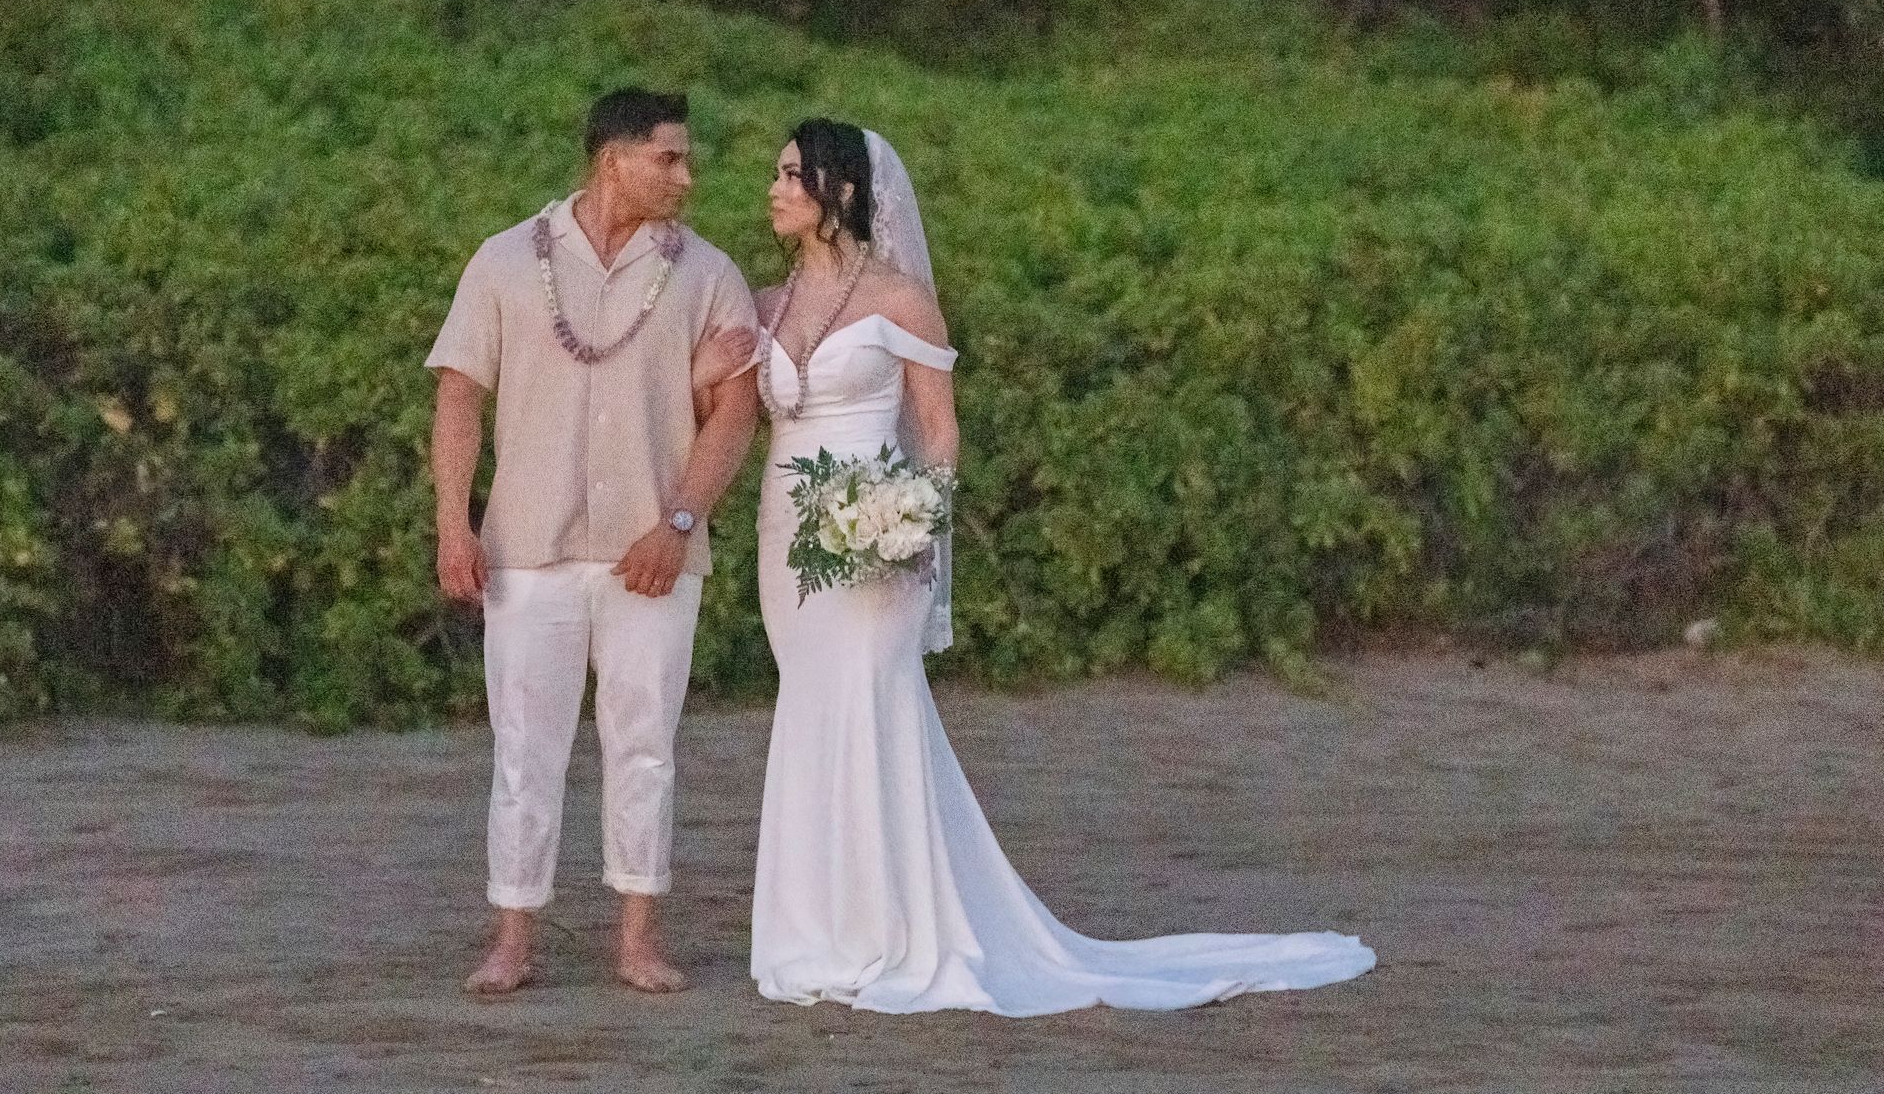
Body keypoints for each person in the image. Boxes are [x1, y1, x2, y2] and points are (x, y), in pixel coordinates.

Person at [693, 118, 1375, 1015]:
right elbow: (732, 404)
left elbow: (938, 429)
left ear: (843, 193)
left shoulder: (899, 299)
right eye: (777, 175)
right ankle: (812, 932)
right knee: (812, 705)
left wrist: (916, 523)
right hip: (789, 537)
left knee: (872, 696)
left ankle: (890, 932)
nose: (775, 188)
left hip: (878, 537)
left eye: (793, 175)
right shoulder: (768, 304)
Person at [428, 87, 759, 995]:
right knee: (524, 747)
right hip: (526, 547)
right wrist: (453, 521)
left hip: (654, 553)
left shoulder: (707, 273)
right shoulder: (504, 262)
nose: (686, 176)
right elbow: (459, 394)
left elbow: (737, 411)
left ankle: (638, 939)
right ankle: (511, 939)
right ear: (613, 159)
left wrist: (681, 519)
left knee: (645, 741)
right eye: (670, 158)